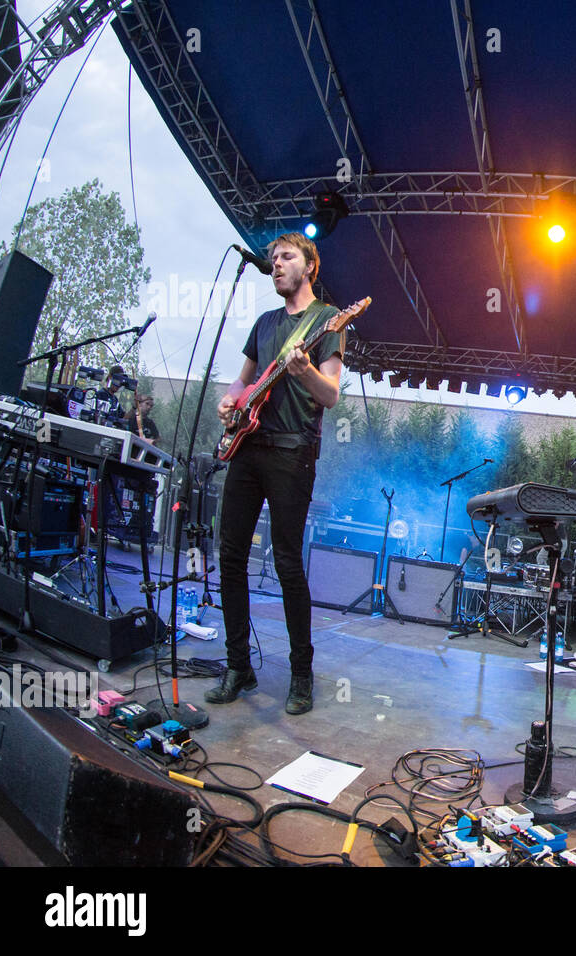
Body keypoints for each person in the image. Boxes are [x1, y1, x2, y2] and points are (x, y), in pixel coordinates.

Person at [206, 233, 343, 715]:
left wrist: (304, 370)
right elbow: (244, 379)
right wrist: (229, 399)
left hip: (292, 451)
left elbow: (329, 395)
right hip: (247, 446)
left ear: (309, 265)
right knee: (230, 557)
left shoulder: (328, 320)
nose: (275, 265)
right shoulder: (264, 324)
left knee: (286, 561)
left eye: (286, 257)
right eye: (271, 259)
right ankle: (237, 664)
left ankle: (301, 674)